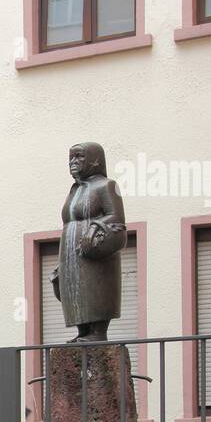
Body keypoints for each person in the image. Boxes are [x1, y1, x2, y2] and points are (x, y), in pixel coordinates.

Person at [50, 142, 126, 342]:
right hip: (72, 253)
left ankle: (98, 332)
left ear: (95, 159)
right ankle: (83, 331)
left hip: (94, 250)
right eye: (71, 158)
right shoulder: (75, 189)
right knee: (75, 288)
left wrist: (93, 230)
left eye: (79, 156)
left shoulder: (106, 186)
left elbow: (115, 216)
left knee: (95, 287)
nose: (73, 162)